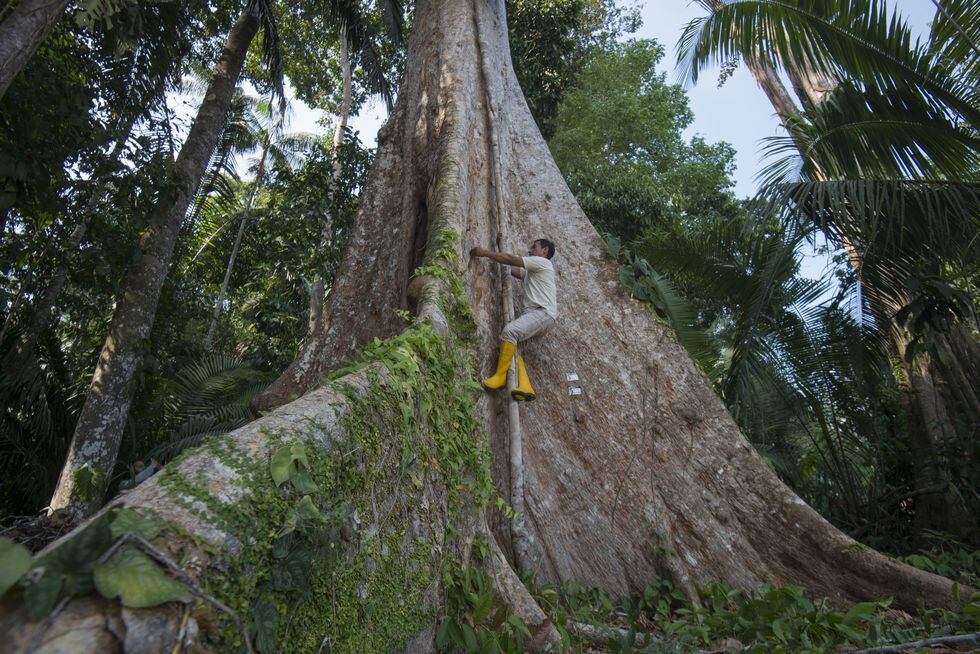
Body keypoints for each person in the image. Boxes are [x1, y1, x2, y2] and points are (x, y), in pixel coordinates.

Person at [469, 238, 557, 401]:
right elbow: (514, 269)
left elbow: (511, 260)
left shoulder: (542, 263)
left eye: (534, 246)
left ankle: (500, 377)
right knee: (516, 351)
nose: (530, 249)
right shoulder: (535, 270)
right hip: (542, 317)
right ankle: (525, 387)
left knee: (510, 332)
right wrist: (501, 247)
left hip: (541, 313)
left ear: (544, 251)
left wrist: (485, 253)